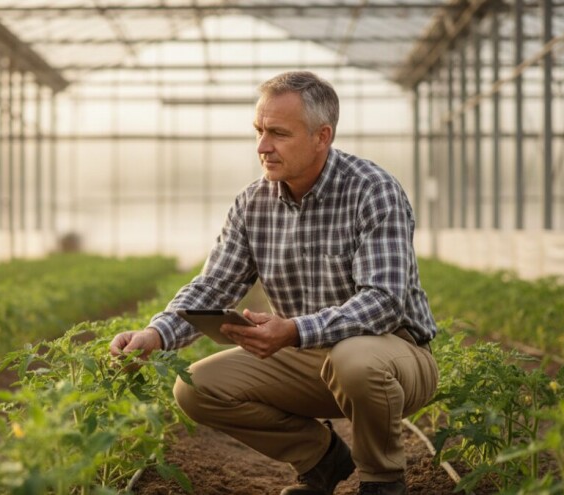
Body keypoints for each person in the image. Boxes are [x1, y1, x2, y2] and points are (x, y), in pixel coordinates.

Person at [109, 71, 438, 495]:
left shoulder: (372, 190)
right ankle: (321, 460)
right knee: (196, 388)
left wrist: (295, 329)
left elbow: (384, 302)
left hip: (393, 355)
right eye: (259, 131)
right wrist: (155, 334)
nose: (263, 146)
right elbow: (214, 285)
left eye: (279, 133)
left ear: (322, 136)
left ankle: (382, 480)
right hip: (305, 356)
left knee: (354, 359)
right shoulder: (254, 203)